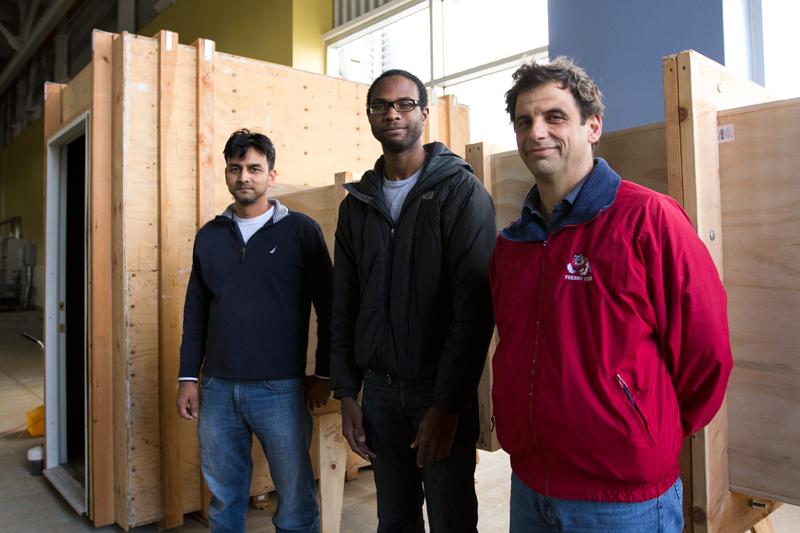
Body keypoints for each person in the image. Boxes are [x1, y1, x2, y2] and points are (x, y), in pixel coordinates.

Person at [490, 56, 734, 532]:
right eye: (525, 121)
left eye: (554, 117)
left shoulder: (650, 219)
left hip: (621, 500)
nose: (537, 131)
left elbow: (706, 353)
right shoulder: (510, 245)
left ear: (593, 126)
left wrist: (645, 429)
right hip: (529, 487)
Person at [330, 69, 496, 532]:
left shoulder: (460, 192)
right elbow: (343, 303)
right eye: (381, 106)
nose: (392, 113)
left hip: (438, 391)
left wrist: (447, 406)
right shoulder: (357, 205)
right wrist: (346, 392)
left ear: (424, 113)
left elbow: (475, 311)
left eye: (404, 104)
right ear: (370, 117)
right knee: (395, 519)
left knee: (450, 518)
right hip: (379, 392)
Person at [176, 129, 333, 533]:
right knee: (225, 497)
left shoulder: (301, 231)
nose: (244, 176)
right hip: (217, 389)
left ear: (271, 175)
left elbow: (330, 308)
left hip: (280, 389)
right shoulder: (209, 237)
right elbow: (195, 310)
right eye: (235, 168)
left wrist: (325, 373)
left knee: (295, 498)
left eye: (254, 168)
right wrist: (188, 376)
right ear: (227, 174)